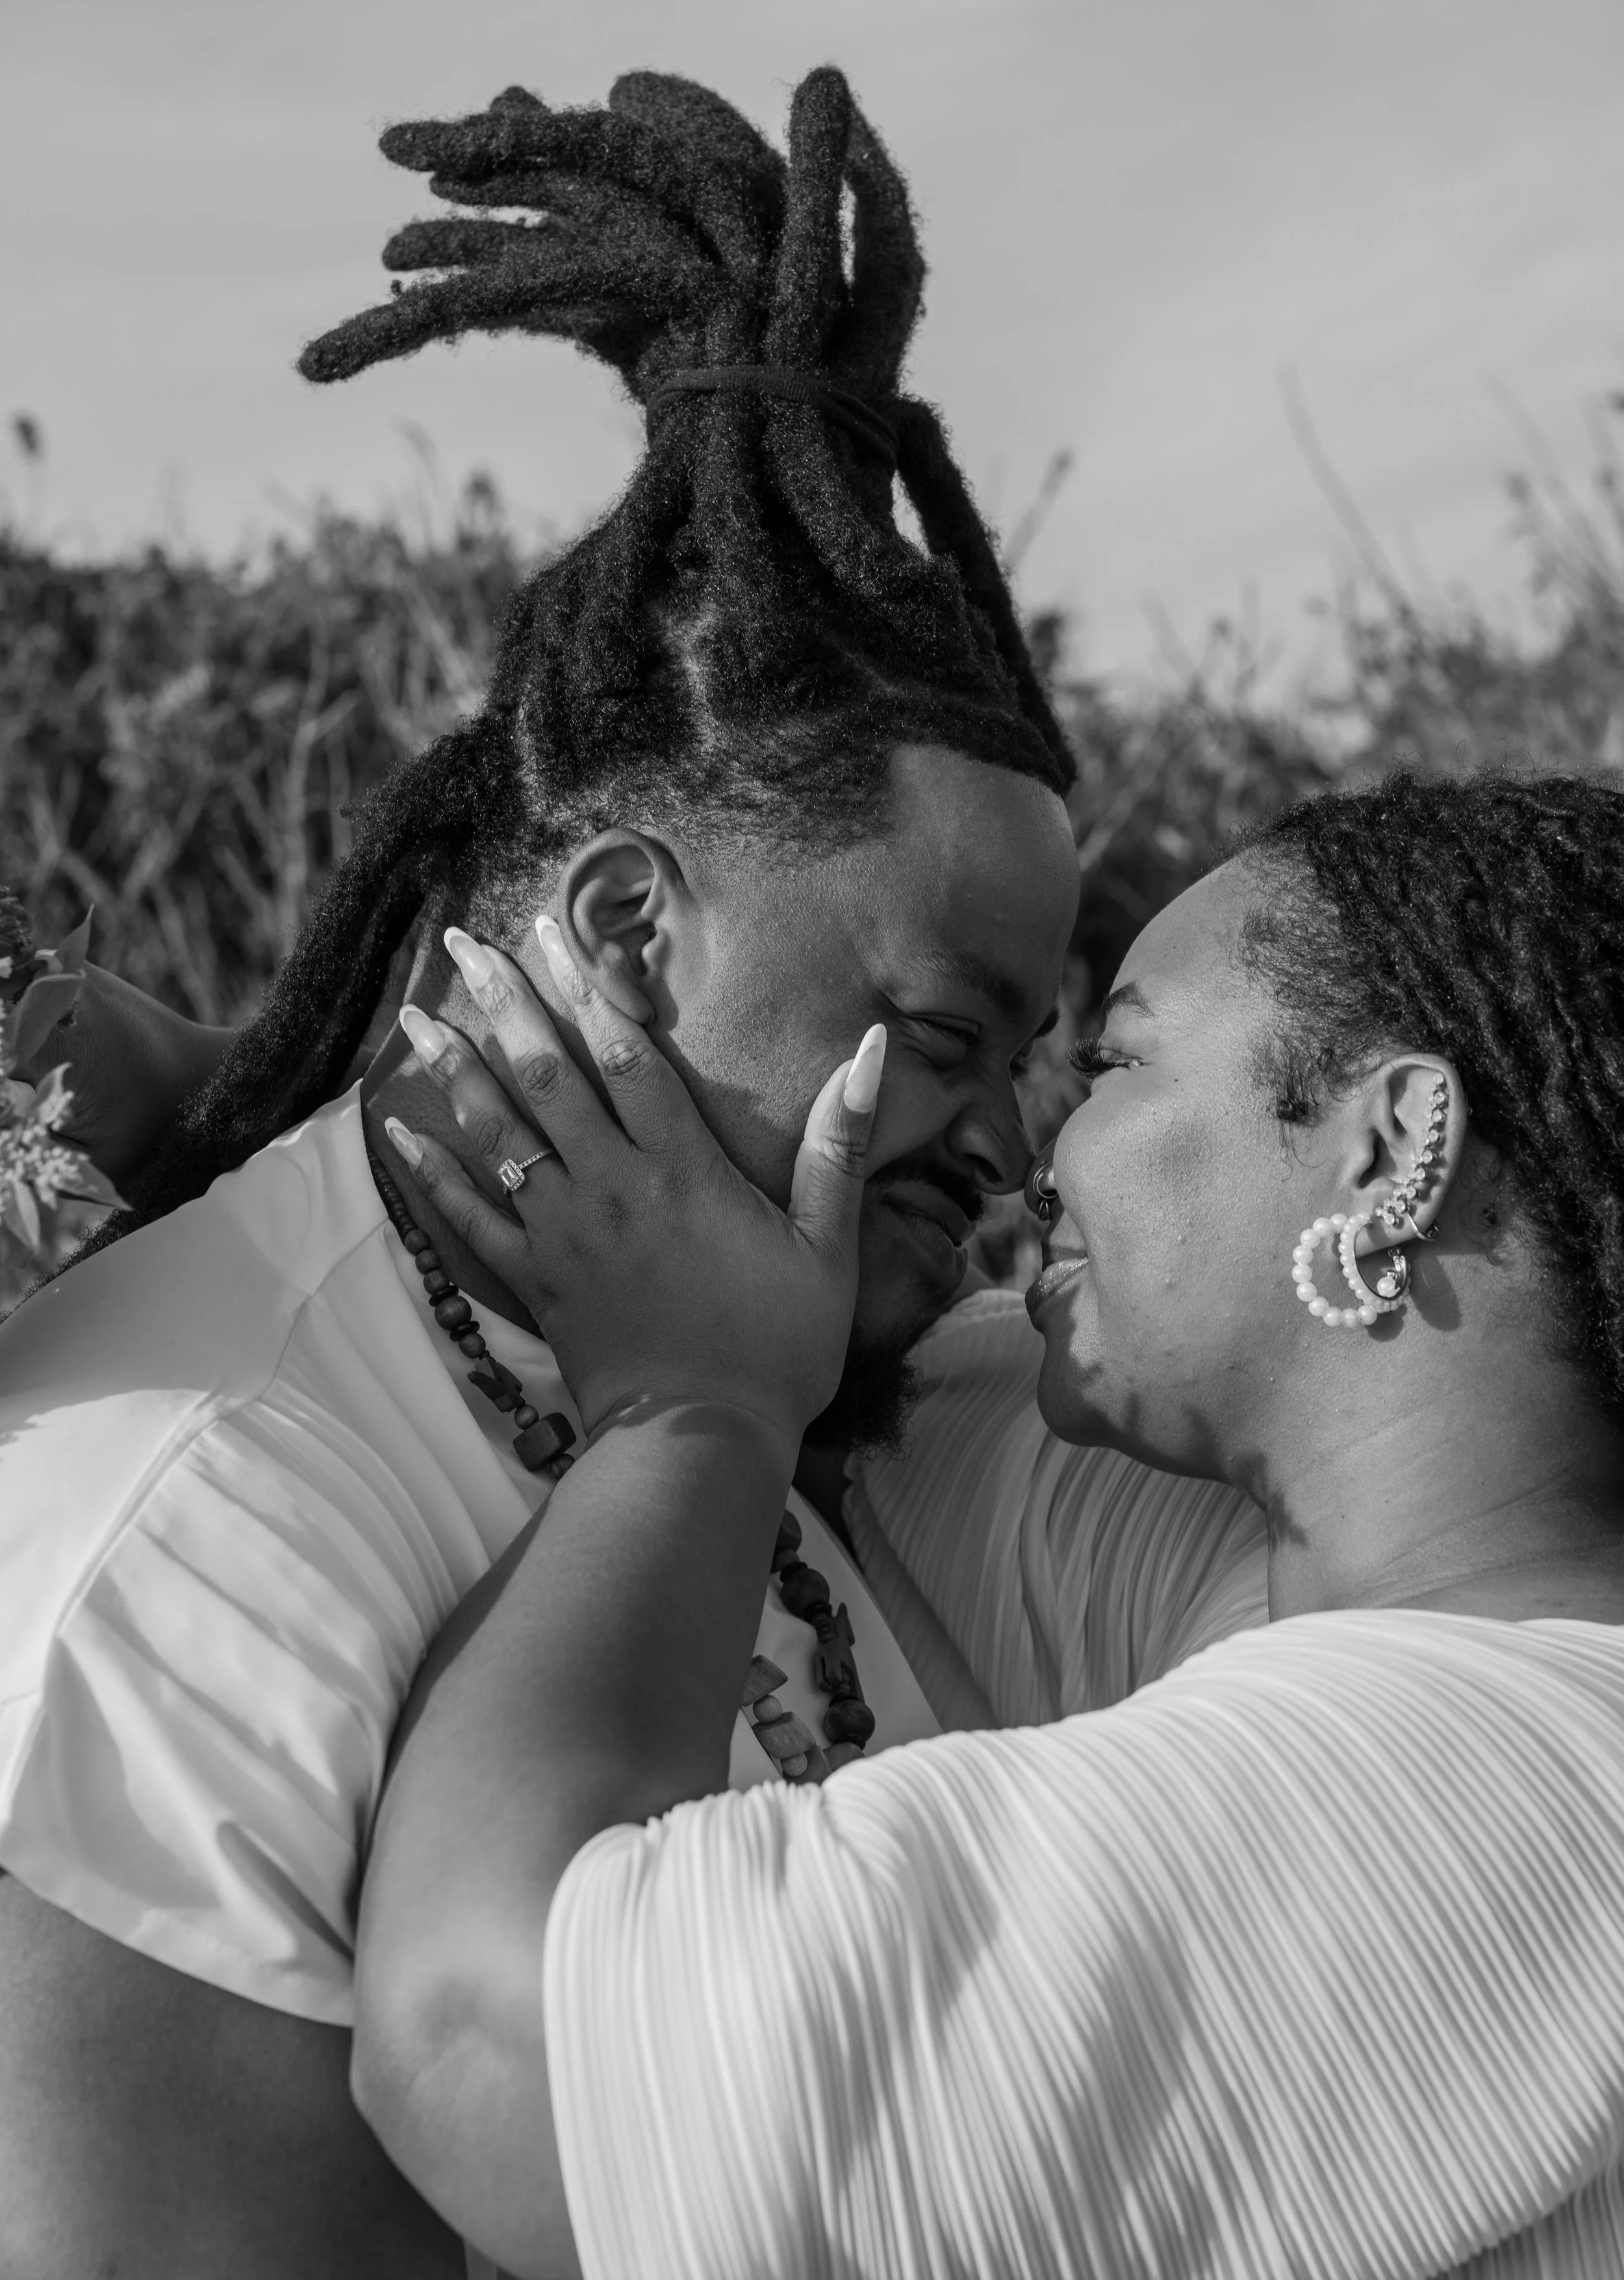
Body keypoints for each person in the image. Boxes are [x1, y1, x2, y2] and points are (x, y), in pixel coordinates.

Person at [0, 67, 1082, 2277]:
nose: (1002, 1138)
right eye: (949, 1041)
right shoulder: (198, 1532)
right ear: (616, 929)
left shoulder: (749, 1382)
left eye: (1038, 1061)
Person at [349, 768, 1624, 2279]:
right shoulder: (1288, 1554)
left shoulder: (1480, 1798)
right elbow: (871, 1351)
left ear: (1391, 1145)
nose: (1039, 1156)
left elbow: (486, 2046)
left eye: (1113, 1063)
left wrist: (687, 1404)